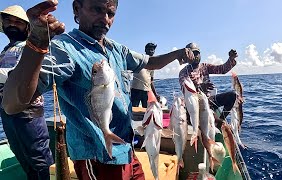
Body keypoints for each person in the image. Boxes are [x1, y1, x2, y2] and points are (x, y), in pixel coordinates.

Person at [1, 0, 195, 179]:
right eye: (97, 9)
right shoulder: (63, 49)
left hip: (125, 148)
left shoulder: (115, 49)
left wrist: (177, 54)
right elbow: (12, 104)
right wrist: (37, 42)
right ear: (77, 9)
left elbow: (150, 62)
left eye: (110, 13)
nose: (105, 19)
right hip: (96, 156)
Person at [0, 5, 53, 180]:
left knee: (38, 159)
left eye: (18, 22)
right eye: (8, 20)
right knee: (21, 154)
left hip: (28, 111)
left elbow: (27, 74)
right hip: (7, 110)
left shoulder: (28, 47)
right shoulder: (7, 49)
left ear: (27, 26)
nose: (12, 24)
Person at [179, 42, 238, 128]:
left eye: (196, 53)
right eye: (191, 53)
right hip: (193, 105)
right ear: (187, 57)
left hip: (209, 101)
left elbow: (222, 70)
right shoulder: (184, 72)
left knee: (232, 95)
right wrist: (198, 87)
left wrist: (231, 59)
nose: (195, 56)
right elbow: (185, 89)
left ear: (200, 54)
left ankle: (219, 123)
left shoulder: (205, 66)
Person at [131, 42, 159, 108]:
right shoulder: (139, 60)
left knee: (147, 109)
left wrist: (155, 94)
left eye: (152, 50)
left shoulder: (153, 65)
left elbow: (151, 81)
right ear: (145, 50)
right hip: (136, 90)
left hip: (147, 91)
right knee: (133, 109)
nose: (151, 51)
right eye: (149, 49)